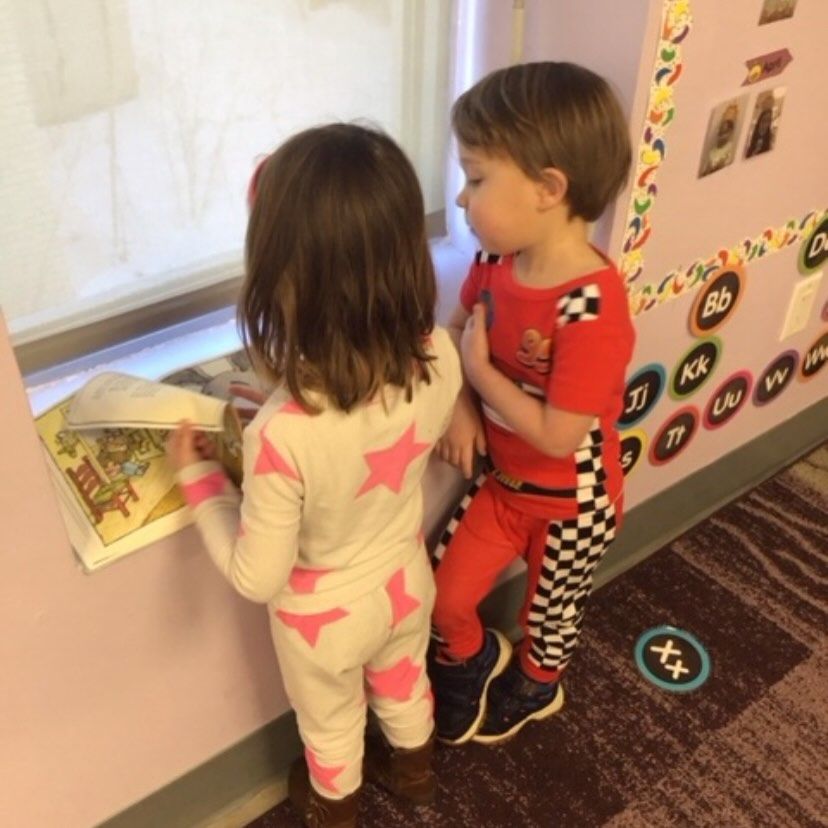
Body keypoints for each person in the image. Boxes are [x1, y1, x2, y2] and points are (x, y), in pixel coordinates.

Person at [166, 123, 462, 828]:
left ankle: (336, 808)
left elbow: (255, 577)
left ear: (283, 285)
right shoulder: (441, 354)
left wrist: (200, 480)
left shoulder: (283, 437)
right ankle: (415, 770)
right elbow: (367, 421)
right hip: (403, 580)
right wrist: (275, 396)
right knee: (403, 681)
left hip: (319, 623)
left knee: (329, 726)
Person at [429, 61, 635, 746]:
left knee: (551, 614)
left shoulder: (591, 305)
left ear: (549, 189)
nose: (462, 199)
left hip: (574, 501)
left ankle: (539, 684)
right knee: (443, 593)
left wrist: (480, 379)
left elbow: (557, 433)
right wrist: (461, 407)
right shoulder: (494, 263)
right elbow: (454, 333)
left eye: (477, 178)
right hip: (502, 485)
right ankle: (472, 660)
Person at [700, 103, 738, 176]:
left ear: (730, 132)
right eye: (721, 131)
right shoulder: (712, 151)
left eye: (725, 131)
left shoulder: (731, 147)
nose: (722, 135)